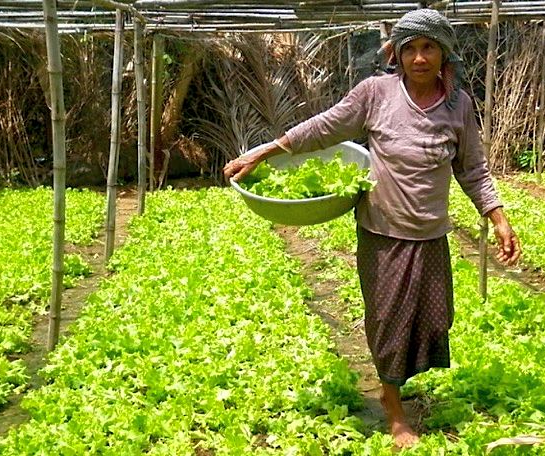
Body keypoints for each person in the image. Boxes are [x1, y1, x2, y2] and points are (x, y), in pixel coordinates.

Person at [223, 8, 521, 449]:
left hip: (431, 234)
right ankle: (394, 408)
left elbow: (473, 169)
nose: (419, 58)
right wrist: (265, 151)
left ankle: (399, 384)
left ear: (444, 54)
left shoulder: (459, 106)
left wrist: (498, 217)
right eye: (410, 49)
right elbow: (325, 127)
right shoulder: (376, 94)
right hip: (382, 233)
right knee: (388, 322)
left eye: (429, 47)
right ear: (397, 56)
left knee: (434, 320)